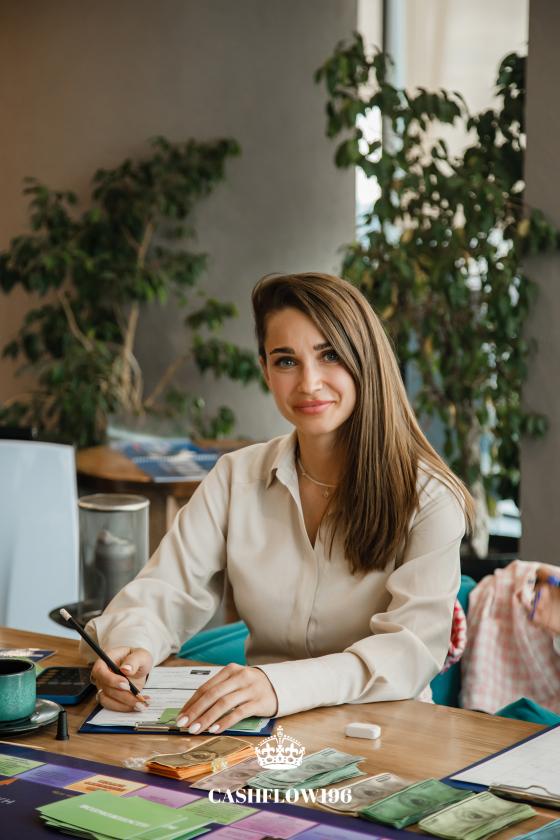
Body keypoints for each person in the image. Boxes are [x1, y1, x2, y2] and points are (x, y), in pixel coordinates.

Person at [87, 272, 474, 734]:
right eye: (286, 360)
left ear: (365, 360)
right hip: (257, 732)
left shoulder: (429, 499)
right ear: (265, 371)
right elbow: (165, 589)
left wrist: (278, 685)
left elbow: (411, 651)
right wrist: (132, 649)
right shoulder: (235, 477)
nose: (309, 383)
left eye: (329, 355)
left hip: (388, 732)